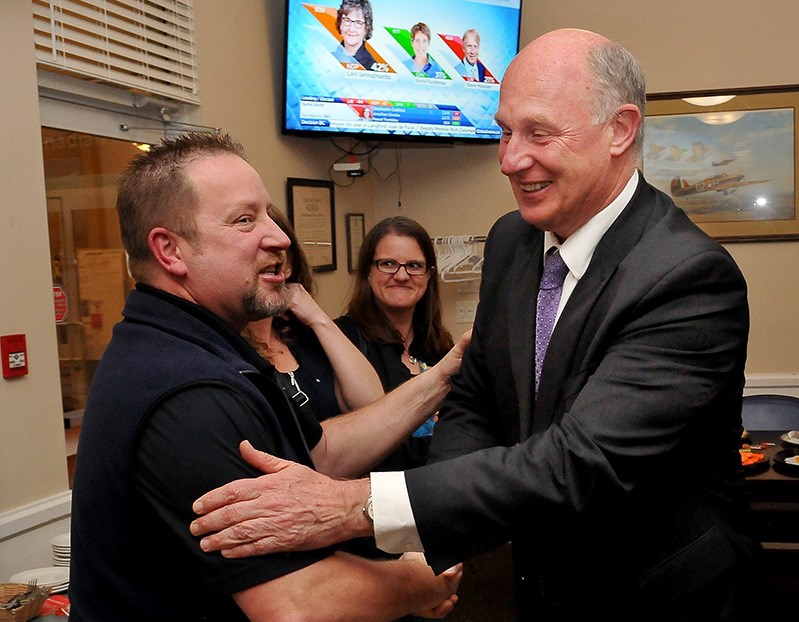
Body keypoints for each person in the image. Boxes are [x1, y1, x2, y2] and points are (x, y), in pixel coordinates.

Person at [190, 29, 758, 621]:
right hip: (541, 586)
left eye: (538, 133)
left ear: (619, 130)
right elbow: (477, 399)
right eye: (506, 131)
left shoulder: (687, 278)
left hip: (659, 596)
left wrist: (355, 505)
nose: (510, 159)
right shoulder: (514, 239)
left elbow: (581, 462)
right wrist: (434, 548)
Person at [68, 133, 469, 621]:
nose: (279, 237)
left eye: (267, 215)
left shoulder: (205, 347)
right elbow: (296, 603)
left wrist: (447, 373)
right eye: (244, 220)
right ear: (170, 250)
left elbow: (320, 454)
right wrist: (418, 580)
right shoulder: (188, 393)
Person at [244, 206, 384, 425]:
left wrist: (319, 319)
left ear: (289, 266)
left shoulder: (305, 341)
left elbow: (372, 406)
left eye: (279, 252)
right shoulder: (231, 351)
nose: (270, 259)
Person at [336, 216, 454, 469]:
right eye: (387, 264)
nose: (401, 276)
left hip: (440, 489)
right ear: (367, 271)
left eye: (414, 265)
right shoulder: (343, 340)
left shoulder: (442, 347)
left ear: (429, 275)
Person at [332, 0, 379, 72]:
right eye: (347, 20)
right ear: (340, 24)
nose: (351, 29)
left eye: (358, 23)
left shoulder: (373, 66)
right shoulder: (328, 58)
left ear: (366, 28)